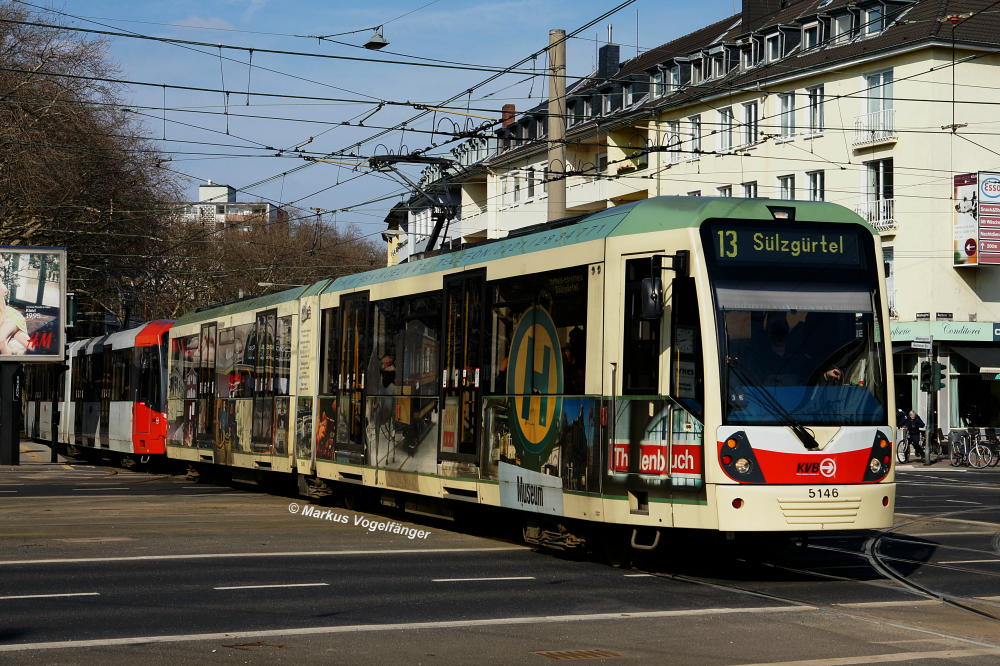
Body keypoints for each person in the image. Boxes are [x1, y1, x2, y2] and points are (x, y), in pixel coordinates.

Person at [0, 283, 32, 355]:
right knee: (30, 346)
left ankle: (9, 365)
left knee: (1, 341)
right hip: (5, 317)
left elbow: (3, 311)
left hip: (9, 316)